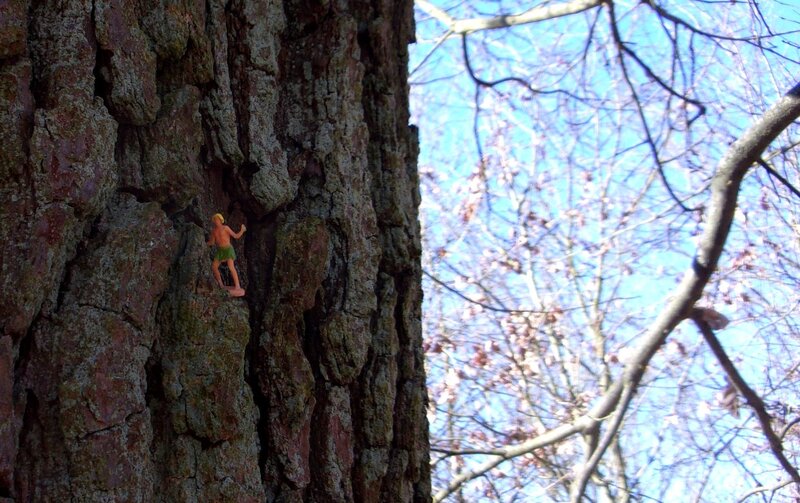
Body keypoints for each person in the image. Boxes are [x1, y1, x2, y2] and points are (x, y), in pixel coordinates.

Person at [207, 213, 246, 296]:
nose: (216, 222)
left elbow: (235, 236)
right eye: (215, 220)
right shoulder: (214, 231)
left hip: (228, 249)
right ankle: (221, 285)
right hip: (220, 251)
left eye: (218, 220)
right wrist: (204, 243)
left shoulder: (226, 228)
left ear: (221, 220)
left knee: (231, 267)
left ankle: (237, 286)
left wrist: (242, 230)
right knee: (214, 266)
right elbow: (212, 242)